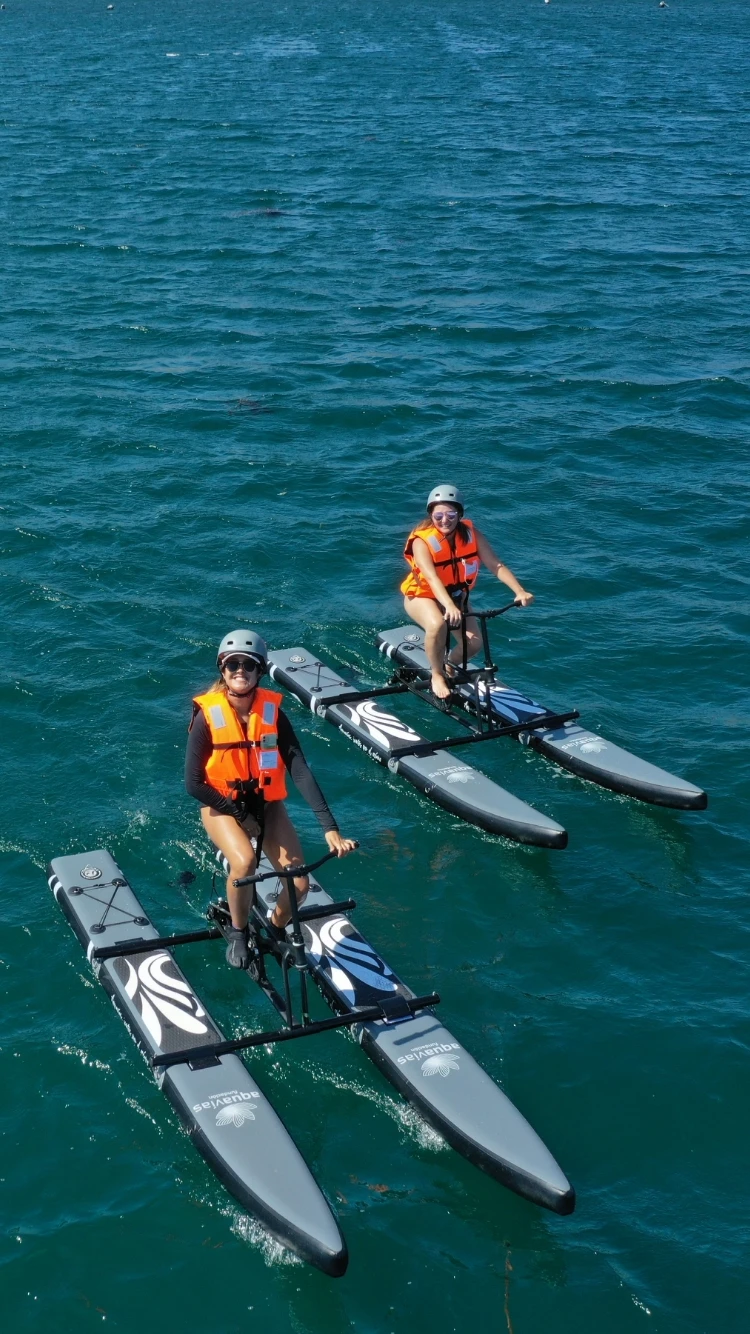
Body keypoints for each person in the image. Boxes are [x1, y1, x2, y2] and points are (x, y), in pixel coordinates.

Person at [186, 629, 356, 969]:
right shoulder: (208, 717)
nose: (239, 671)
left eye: (248, 665)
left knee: (299, 884)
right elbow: (193, 783)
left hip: (267, 805)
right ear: (222, 668)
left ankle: (275, 928)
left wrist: (330, 828)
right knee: (245, 863)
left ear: (260, 671)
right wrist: (239, 814)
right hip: (221, 806)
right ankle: (238, 931)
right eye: (232, 664)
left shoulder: (272, 714)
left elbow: (300, 769)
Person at [401, 484, 534, 699]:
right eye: (439, 515)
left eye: (451, 514)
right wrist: (449, 606)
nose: (445, 520)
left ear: (460, 514)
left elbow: (495, 564)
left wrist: (519, 591)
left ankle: (449, 664)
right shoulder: (422, 542)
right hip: (422, 596)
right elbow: (432, 578)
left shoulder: (471, 534)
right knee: (437, 624)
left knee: (474, 644)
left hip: (455, 597)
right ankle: (436, 674)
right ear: (431, 515)